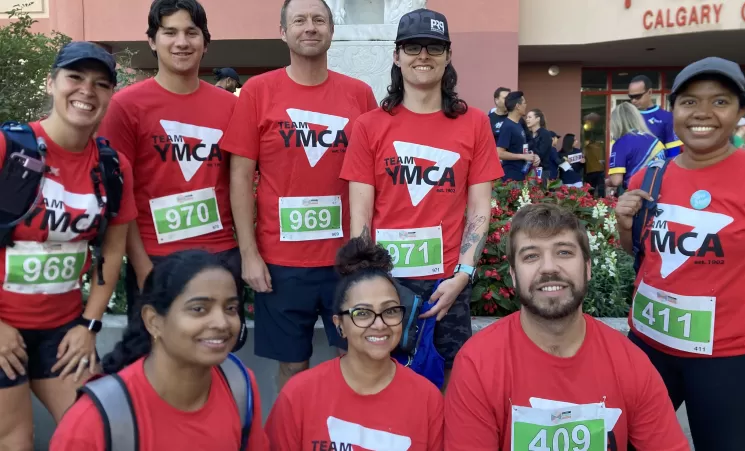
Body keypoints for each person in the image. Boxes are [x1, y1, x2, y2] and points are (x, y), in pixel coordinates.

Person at [340, 8, 503, 391]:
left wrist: (464, 274)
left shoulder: (474, 123)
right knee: (382, 381)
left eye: (435, 47)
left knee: (452, 383)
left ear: (448, 55)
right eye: (413, 47)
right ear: (397, 56)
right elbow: (360, 212)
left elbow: (480, 206)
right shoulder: (368, 126)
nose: (423, 55)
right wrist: (367, 281)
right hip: (386, 283)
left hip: (448, 282)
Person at [443, 203, 690, 451]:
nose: (549, 267)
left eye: (563, 252)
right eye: (531, 256)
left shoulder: (630, 362)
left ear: (588, 268)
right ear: (514, 276)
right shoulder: (477, 364)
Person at [221, 0, 377, 390]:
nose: (310, 27)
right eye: (300, 20)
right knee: (293, 369)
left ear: (331, 30)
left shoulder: (359, 94)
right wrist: (249, 254)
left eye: (319, 20)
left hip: (346, 261)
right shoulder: (257, 91)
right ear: (283, 31)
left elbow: (373, 177)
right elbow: (239, 178)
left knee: (356, 362)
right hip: (280, 265)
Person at [616, 57, 745, 451]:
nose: (702, 113)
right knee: (627, 443)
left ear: (740, 113)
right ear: (673, 109)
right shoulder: (649, 176)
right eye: (689, 102)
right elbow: (642, 252)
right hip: (648, 346)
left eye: (719, 102)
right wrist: (624, 225)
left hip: (728, 359)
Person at [0, 42, 137, 450]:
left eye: (100, 84)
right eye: (75, 78)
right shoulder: (10, 149)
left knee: (96, 432)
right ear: (52, 83)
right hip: (2, 328)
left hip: (62, 330)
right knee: (16, 439)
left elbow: (113, 252)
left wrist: (89, 326)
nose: (87, 91)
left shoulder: (112, 167)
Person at [98, 0, 247, 348]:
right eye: (170, 33)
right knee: (154, 363)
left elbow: (241, 182)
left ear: (205, 42)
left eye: (191, 33)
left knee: (215, 356)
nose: (181, 42)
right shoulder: (125, 106)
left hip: (220, 255)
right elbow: (120, 197)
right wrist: (141, 267)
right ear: (152, 41)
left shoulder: (232, 107)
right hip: (154, 256)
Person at [49, 250, 269, 450]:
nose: (221, 323)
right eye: (199, 309)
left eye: (230, 308)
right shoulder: (94, 420)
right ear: (153, 321)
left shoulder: (239, 386)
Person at [265, 237, 443, 450]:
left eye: (390, 310)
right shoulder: (299, 394)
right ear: (339, 325)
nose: (379, 324)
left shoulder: (427, 399)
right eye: (362, 313)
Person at [607, 102, 665, 194]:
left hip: (635, 196)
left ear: (616, 122)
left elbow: (616, 180)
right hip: (659, 193)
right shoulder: (656, 141)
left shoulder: (620, 143)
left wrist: (606, 182)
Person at [629, 74, 682, 159]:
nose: (634, 100)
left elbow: (673, 151)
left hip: (656, 169)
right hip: (630, 171)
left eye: (637, 96)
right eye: (631, 97)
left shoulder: (666, 117)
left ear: (650, 92)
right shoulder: (626, 118)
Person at [497, 91, 539, 181]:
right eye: (524, 103)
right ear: (517, 106)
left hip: (521, 172)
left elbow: (520, 148)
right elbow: (499, 153)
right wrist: (523, 156)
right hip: (511, 176)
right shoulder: (507, 126)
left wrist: (532, 156)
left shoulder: (519, 123)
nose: (526, 105)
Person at [526, 108, 554, 182]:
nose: (527, 119)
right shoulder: (528, 134)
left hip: (542, 170)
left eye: (530, 117)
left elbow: (541, 152)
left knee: (539, 192)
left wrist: (531, 152)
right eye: (527, 117)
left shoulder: (545, 134)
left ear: (537, 119)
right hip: (527, 169)